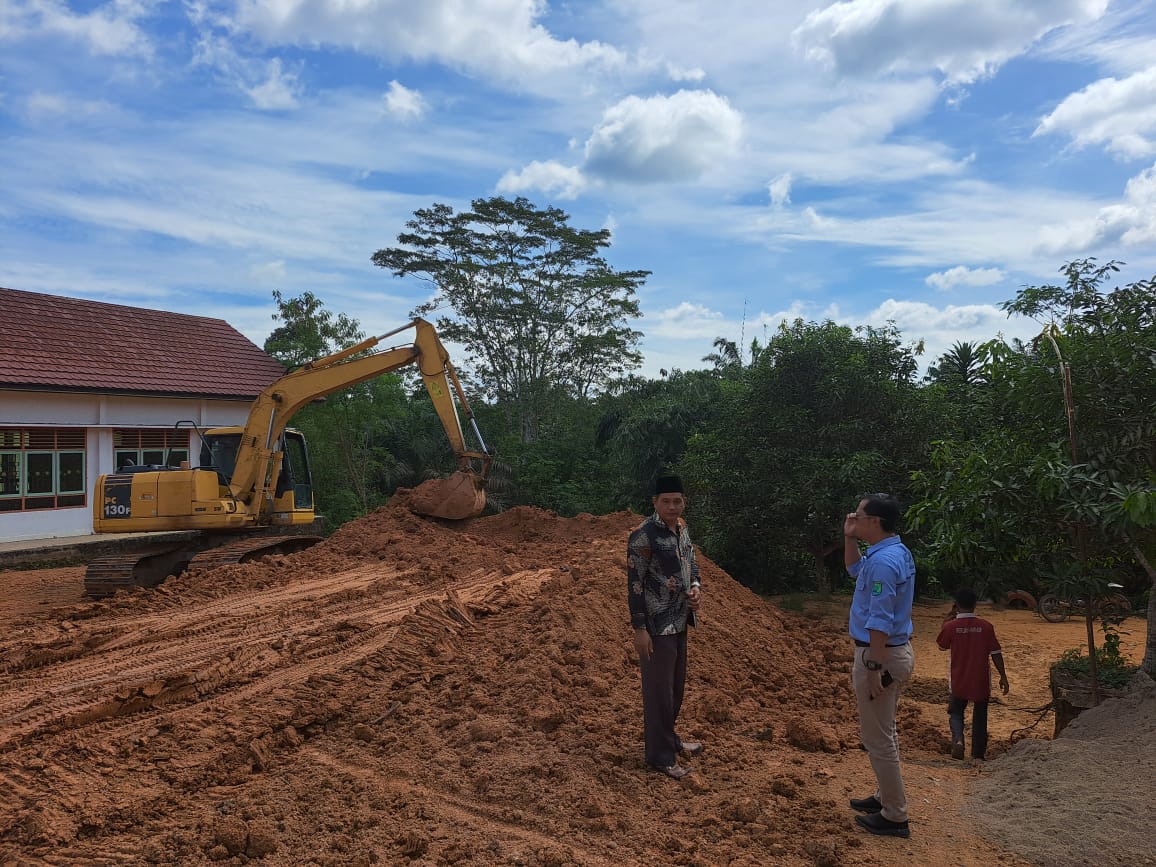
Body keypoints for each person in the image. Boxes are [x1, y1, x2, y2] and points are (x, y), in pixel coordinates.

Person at [844, 492, 916, 838]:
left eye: (858, 515)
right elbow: (853, 569)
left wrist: (874, 664)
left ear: (874, 522)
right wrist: (848, 538)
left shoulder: (885, 563)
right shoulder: (887, 553)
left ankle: (895, 815)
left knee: (878, 739)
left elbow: (880, 616)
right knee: (885, 733)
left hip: (880, 654)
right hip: (889, 652)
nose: (853, 518)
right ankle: (884, 796)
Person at [627, 474, 703, 780]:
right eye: (666, 501)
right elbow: (634, 585)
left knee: (675, 689)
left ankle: (669, 739)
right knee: (658, 692)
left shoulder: (682, 529)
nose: (672, 507)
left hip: (680, 620)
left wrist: (696, 587)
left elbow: (691, 563)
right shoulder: (643, 536)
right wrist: (639, 629)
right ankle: (660, 756)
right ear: (655, 503)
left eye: (677, 501)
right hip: (656, 626)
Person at [936, 587, 1009, 761]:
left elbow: (941, 646)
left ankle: (958, 740)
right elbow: (996, 653)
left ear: (956, 605)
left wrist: (946, 620)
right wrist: (1003, 676)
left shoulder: (951, 626)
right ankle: (977, 754)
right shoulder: (986, 626)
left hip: (959, 678)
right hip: (980, 679)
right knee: (980, 715)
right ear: (975, 605)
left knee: (955, 711)